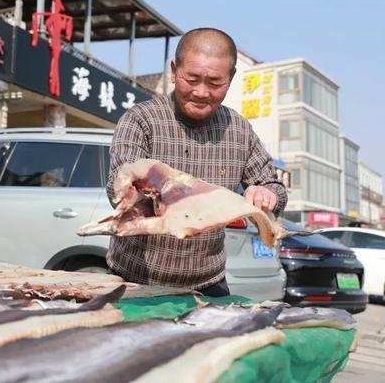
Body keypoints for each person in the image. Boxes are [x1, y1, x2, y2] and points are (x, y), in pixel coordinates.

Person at [106, 27, 287, 297]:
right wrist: (133, 188)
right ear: (174, 70)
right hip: (136, 279)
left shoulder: (238, 130)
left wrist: (267, 193)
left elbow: (275, 187)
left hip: (208, 283)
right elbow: (117, 188)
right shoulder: (140, 120)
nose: (202, 92)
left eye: (215, 83)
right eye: (191, 79)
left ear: (231, 77)